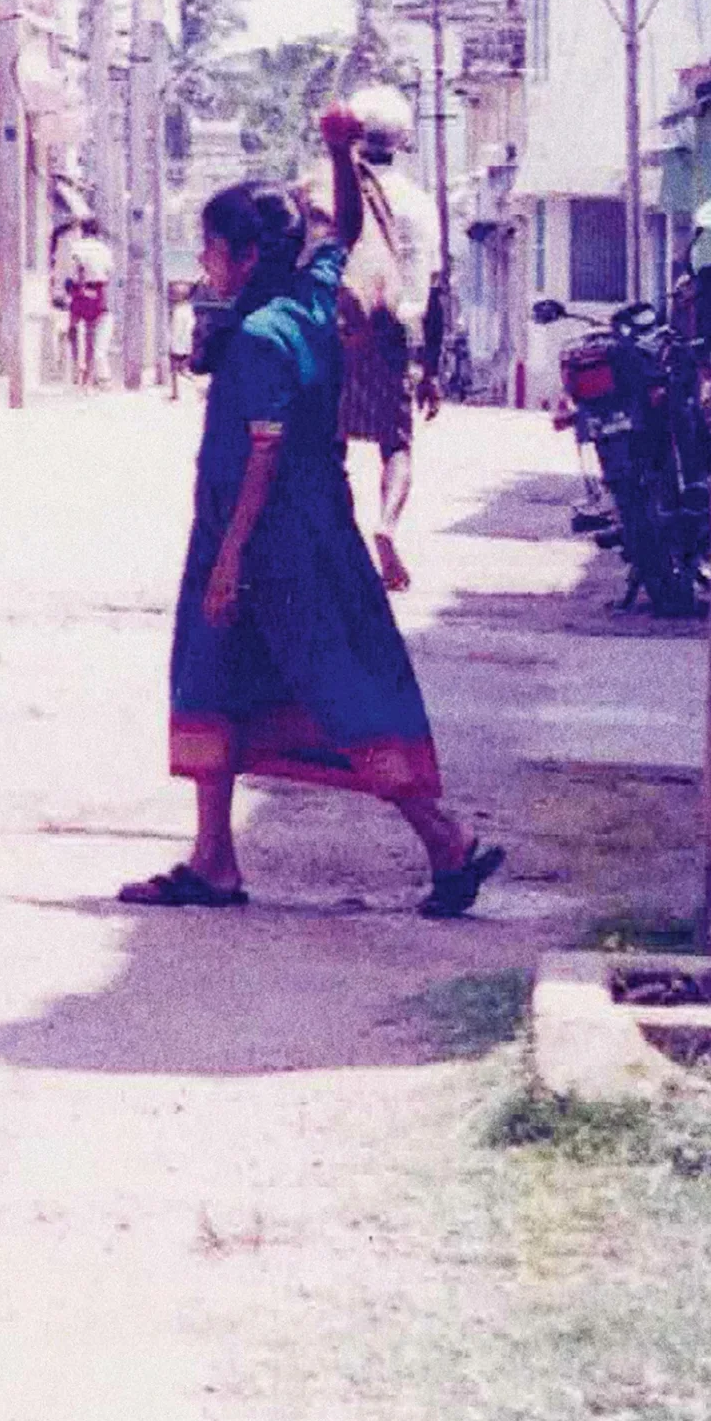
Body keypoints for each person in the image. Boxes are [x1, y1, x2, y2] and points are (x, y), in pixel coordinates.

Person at [119, 106, 502, 917]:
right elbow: (350, 230)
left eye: (214, 250)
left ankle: (447, 842)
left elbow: (262, 455)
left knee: (335, 691)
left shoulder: (261, 334)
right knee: (220, 679)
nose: (204, 264)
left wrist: (229, 562)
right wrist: (337, 152)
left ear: (250, 255)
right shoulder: (314, 294)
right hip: (306, 528)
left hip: (265, 540)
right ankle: (213, 861)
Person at [329, 84, 443, 593]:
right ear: (402, 140)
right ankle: (386, 525)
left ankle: (339, 541)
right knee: (394, 443)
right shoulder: (419, 204)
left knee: (330, 442)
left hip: (338, 328)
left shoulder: (328, 189)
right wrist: (432, 369)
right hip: (395, 331)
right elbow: (434, 291)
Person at [55, 214, 115, 388]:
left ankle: (76, 366)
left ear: (83, 230)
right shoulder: (105, 250)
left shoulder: (77, 247)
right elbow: (109, 273)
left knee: (73, 328)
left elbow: (73, 271)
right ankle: (88, 378)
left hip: (80, 290)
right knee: (91, 334)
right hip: (98, 291)